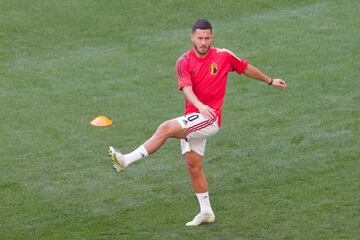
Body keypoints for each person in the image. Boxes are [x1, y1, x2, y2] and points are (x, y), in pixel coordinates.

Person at [108, 19, 287, 226]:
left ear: (212, 37)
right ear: (192, 37)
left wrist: (270, 80)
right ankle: (206, 212)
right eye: (200, 38)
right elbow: (186, 89)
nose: (204, 42)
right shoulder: (183, 61)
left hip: (210, 119)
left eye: (207, 38)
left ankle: (125, 160)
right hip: (195, 117)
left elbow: (245, 68)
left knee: (165, 128)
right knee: (193, 166)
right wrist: (199, 105)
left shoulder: (223, 56)